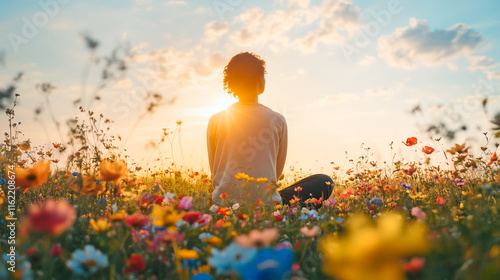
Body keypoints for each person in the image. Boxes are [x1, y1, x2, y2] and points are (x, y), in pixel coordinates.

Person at [207, 52, 334, 207]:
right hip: (266, 206)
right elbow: (276, 172)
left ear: (232, 83)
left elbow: (216, 172)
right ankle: (287, 216)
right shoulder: (277, 120)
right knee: (324, 181)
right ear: (261, 81)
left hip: (223, 205)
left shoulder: (216, 120)